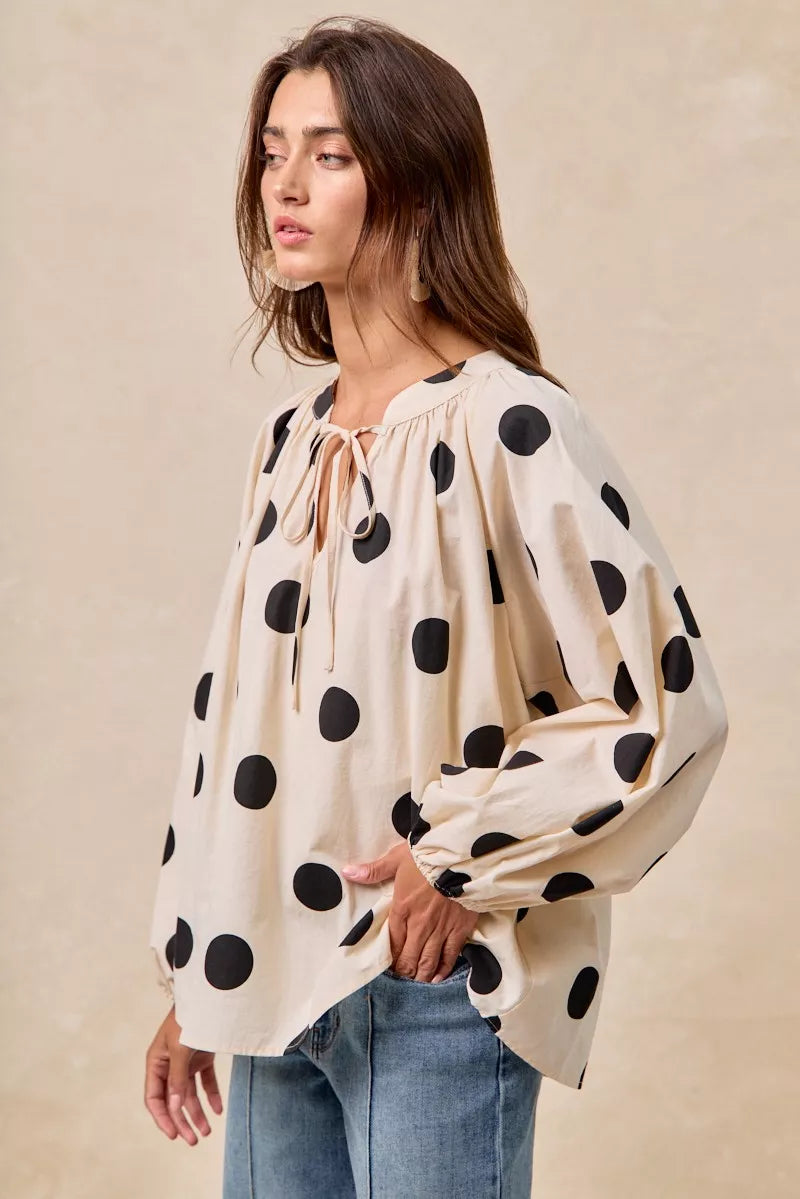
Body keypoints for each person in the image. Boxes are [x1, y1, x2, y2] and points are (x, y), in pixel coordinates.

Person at [143, 16, 729, 1198]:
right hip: (272, 989)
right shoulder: (289, 440)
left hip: (431, 985)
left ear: (416, 183)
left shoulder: (511, 423)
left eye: (330, 155)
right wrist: (200, 971)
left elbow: (664, 708)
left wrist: (458, 858)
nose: (284, 187)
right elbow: (239, 729)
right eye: (271, 152)